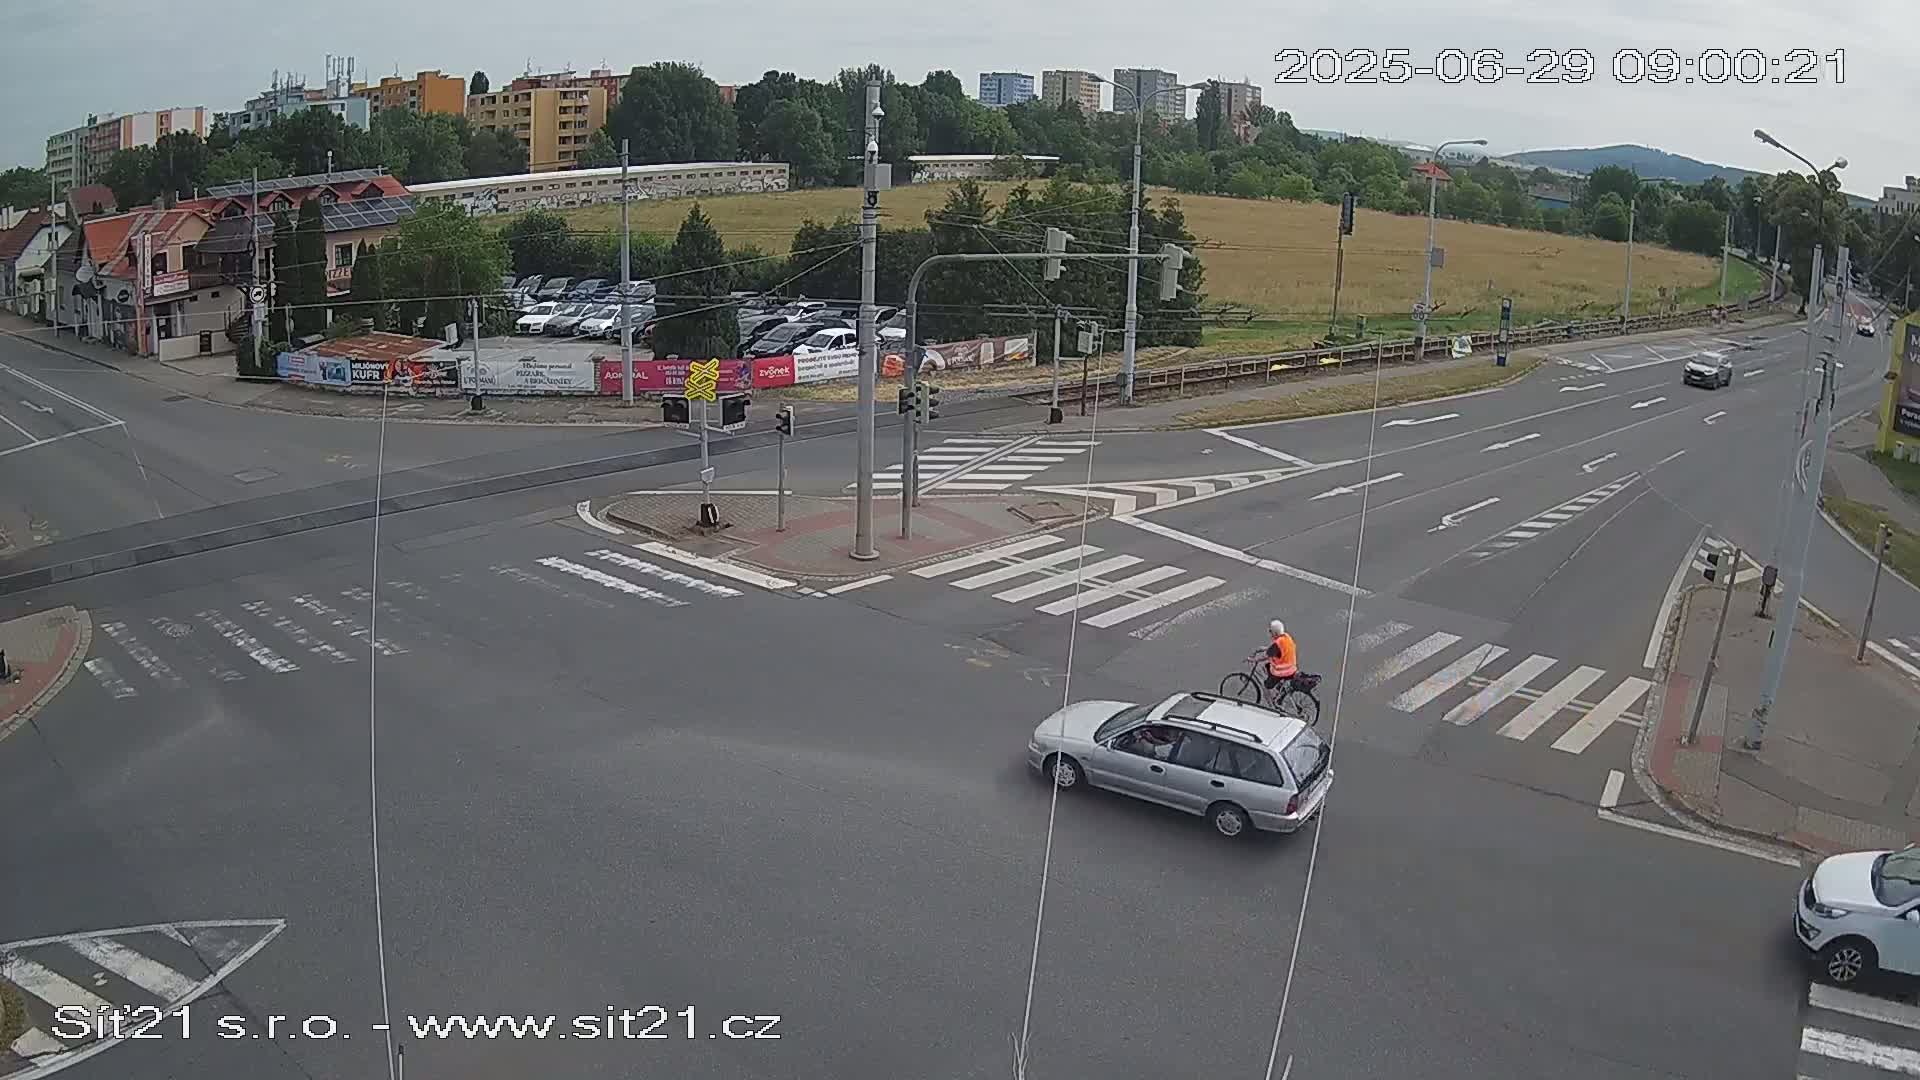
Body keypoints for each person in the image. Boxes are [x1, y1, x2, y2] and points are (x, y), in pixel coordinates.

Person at [1264, 619, 1298, 696]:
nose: (1270, 633)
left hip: (1283, 671)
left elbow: (1266, 655)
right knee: (1267, 665)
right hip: (1292, 667)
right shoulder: (1287, 637)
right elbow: (1280, 649)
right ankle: (1279, 686)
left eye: (1271, 631)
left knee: (1267, 685)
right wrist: (1263, 648)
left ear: (1275, 633)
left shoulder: (1278, 643)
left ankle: (1273, 700)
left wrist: (1253, 660)